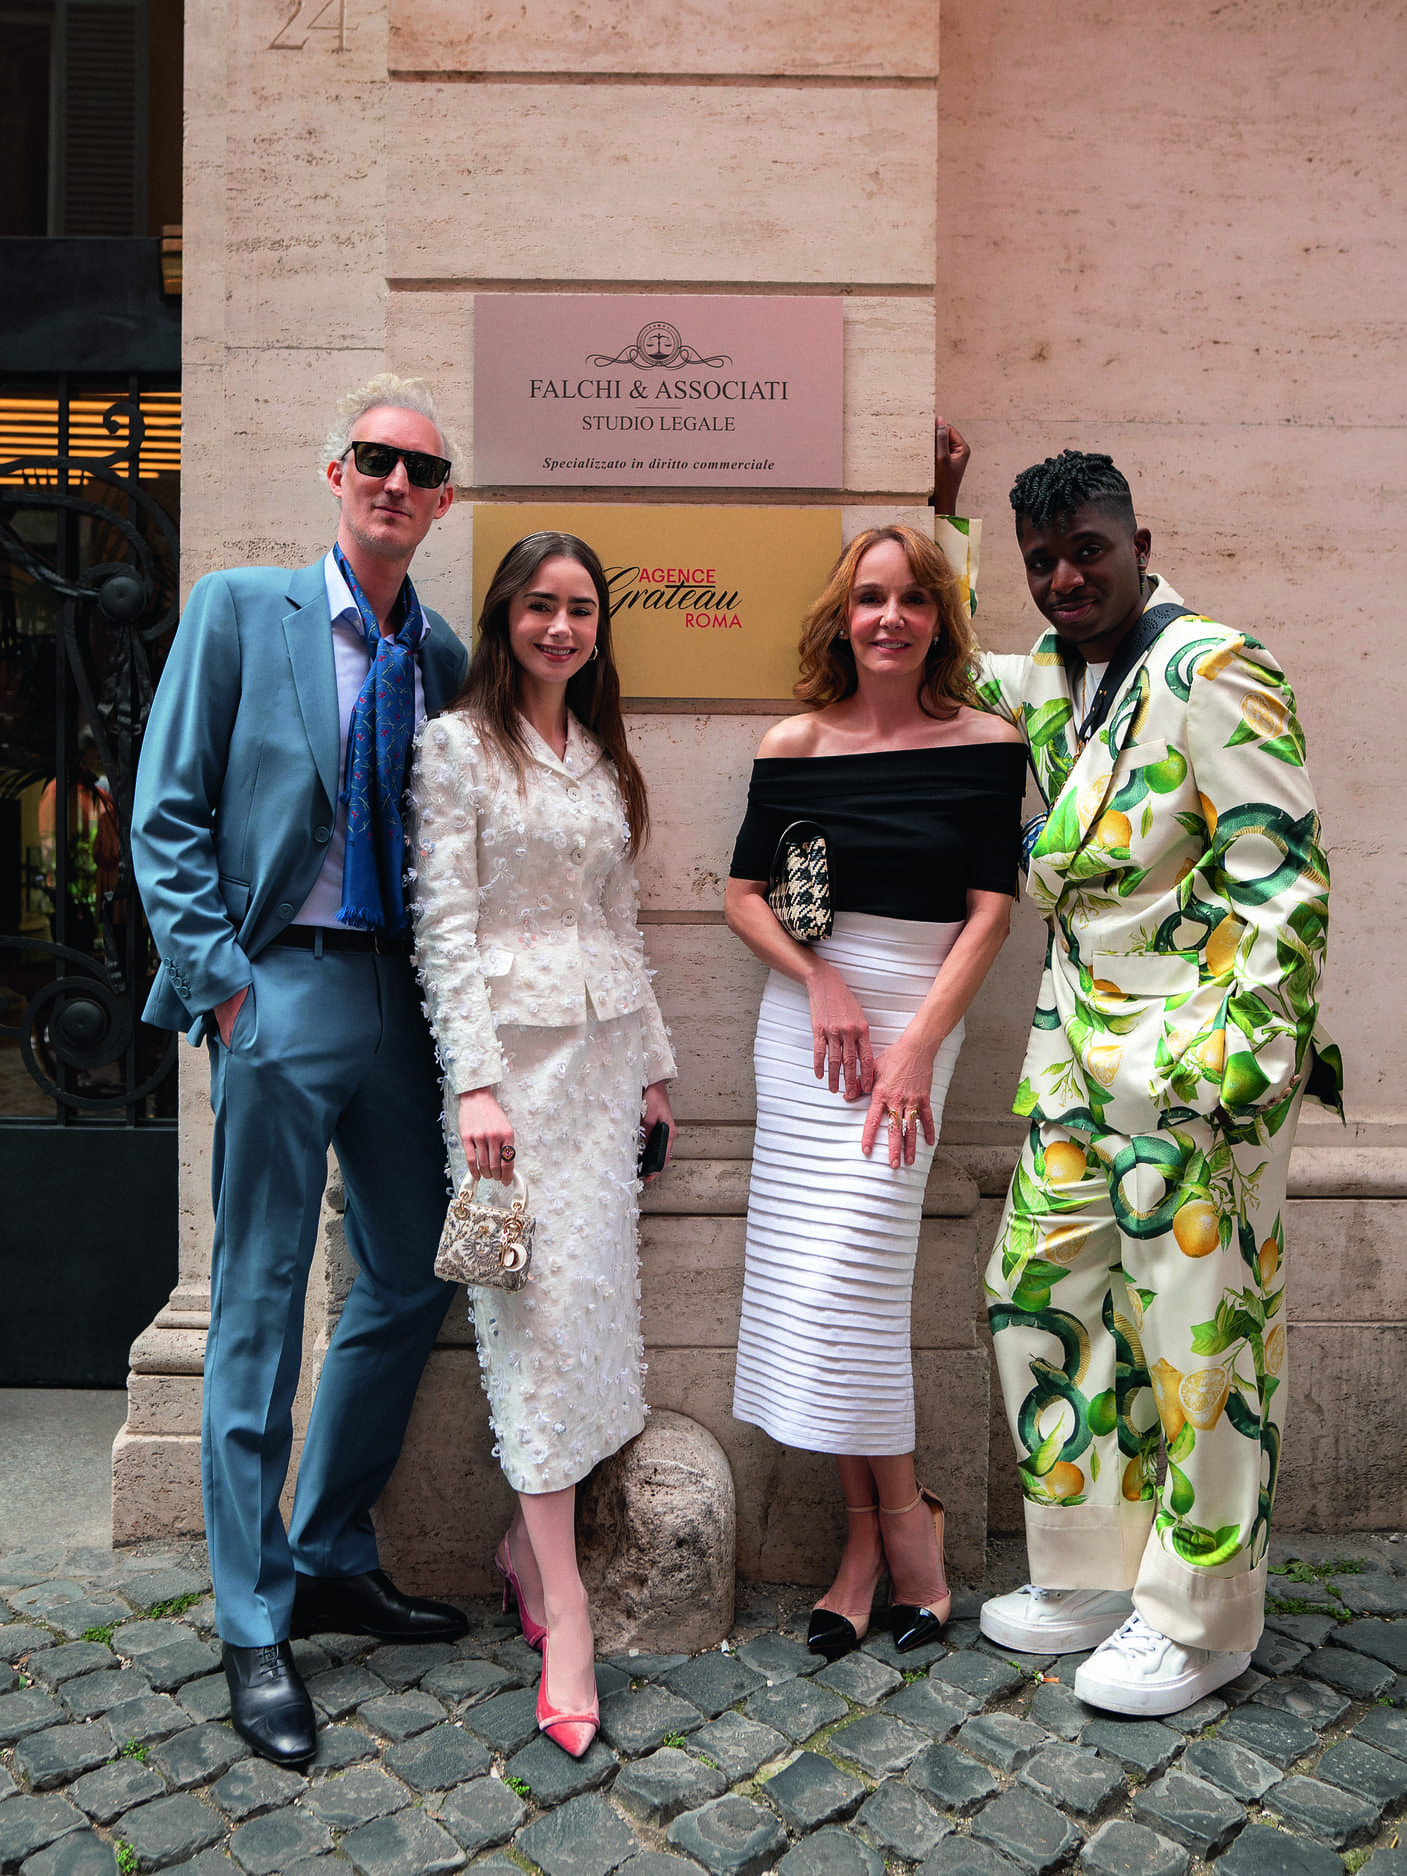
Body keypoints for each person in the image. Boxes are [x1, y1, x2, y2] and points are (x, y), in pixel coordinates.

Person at [962, 441, 1341, 1716]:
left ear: (1139, 543)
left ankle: (1201, 1618)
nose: (1065, 579)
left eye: (1088, 552)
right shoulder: (1054, 678)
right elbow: (942, 652)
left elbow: (1285, 880)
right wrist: (934, 510)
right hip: (1073, 1067)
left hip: (1195, 1073)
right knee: (1034, 1294)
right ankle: (1093, 1569)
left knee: (1200, 1347)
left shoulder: (1214, 668)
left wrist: (1240, 1071)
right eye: (1043, 563)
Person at [131, 374, 472, 1766]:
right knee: (260, 1303)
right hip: (277, 987)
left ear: (441, 502)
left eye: (420, 470)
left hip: (398, 996)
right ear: (336, 474)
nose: (394, 483)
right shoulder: (237, 612)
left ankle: (328, 1549)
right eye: (373, 459)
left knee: (413, 1268)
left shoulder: (440, 652)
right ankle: (252, 1618)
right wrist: (226, 989)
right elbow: (165, 813)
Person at [724, 523, 1026, 1660]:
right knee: (820, 1290)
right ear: (840, 618)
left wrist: (914, 1047)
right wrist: (819, 978)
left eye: (911, 598)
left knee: (852, 1275)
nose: (888, 617)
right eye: (868, 598)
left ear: (940, 618)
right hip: (811, 1031)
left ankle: (897, 1531)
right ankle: (883, 1540)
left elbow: (990, 913)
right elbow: (743, 897)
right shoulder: (796, 742)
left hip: (918, 1021)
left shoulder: (988, 742)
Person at [409, 530, 677, 1757]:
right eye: (539, 605)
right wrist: (475, 1086)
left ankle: (528, 1547)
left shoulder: (605, 759)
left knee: (590, 1310)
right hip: (511, 1075)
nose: (561, 627)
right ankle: (566, 1612)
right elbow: (445, 927)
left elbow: (623, 918)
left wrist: (657, 1067)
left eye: (581, 608)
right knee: (536, 1316)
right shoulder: (457, 747)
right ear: (505, 617)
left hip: (606, 1066)